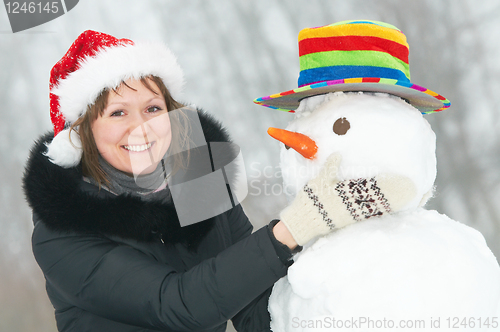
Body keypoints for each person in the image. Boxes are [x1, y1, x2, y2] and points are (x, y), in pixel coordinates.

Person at [22, 30, 415, 331]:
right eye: (118, 113)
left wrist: (350, 263)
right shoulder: (62, 232)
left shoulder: (199, 183)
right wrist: (295, 225)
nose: (141, 128)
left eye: (153, 107)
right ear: (83, 134)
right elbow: (179, 304)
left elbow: (258, 312)